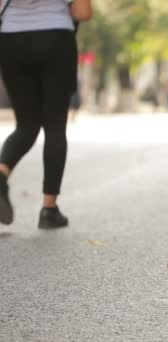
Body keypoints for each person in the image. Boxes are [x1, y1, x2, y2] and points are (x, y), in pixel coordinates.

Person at [0, 0, 92, 228]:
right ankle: (49, 210)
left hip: (12, 40)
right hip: (56, 38)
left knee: (26, 126)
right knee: (54, 127)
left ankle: (0, 177)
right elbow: (83, 11)